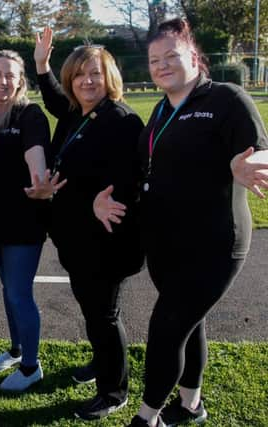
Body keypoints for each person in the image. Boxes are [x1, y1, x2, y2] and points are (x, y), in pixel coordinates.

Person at [90, 19, 268, 427]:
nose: (162, 65)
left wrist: (248, 165)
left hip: (213, 244)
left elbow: (257, 152)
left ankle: (146, 417)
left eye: (172, 56)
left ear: (194, 57)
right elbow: (143, 171)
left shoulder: (226, 99)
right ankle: (191, 406)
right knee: (190, 323)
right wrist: (106, 200)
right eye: (155, 59)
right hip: (167, 244)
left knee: (167, 328)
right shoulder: (160, 110)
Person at [33, 28, 144, 419]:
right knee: (92, 310)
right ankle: (102, 363)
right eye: (79, 75)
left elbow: (131, 180)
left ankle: (114, 392)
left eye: (94, 73)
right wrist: (42, 67)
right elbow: (53, 99)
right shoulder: (76, 113)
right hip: (76, 237)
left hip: (105, 240)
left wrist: (104, 200)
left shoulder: (122, 120)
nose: (87, 81)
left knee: (103, 315)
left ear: (109, 76)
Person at [0, 50, 61, 392]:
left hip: (23, 222)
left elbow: (35, 151)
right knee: (8, 291)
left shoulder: (29, 114)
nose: (2, 81)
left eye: (10, 75)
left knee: (18, 293)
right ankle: (16, 349)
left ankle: (30, 367)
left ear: (21, 80)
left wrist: (40, 178)